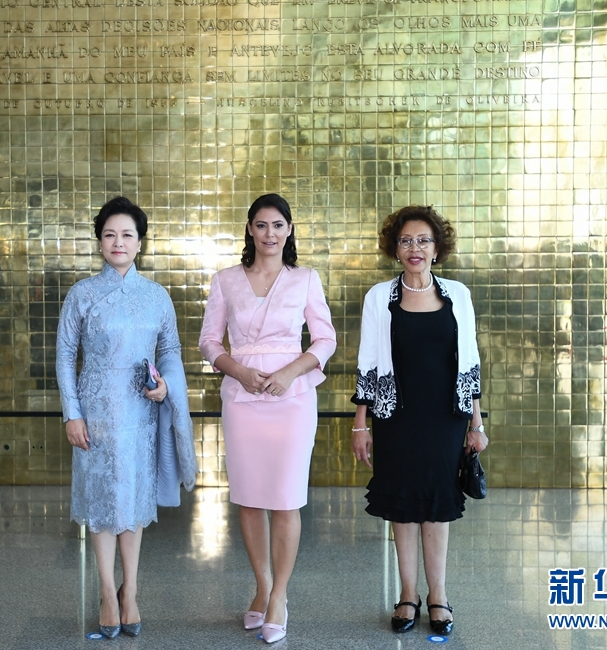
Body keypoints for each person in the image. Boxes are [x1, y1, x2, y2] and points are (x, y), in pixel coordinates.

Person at [56, 196, 197, 639]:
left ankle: (130, 590)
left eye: (127, 235)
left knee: (134, 500)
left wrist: (166, 387)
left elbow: (170, 350)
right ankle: (105, 591)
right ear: (100, 242)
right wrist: (72, 413)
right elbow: (65, 355)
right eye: (110, 234)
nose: (118, 242)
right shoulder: (81, 294)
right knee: (101, 502)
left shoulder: (156, 296)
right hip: (95, 414)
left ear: (140, 243)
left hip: (141, 413)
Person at [199, 194, 337, 644]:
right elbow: (208, 342)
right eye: (261, 225)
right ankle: (261, 585)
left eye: (278, 225)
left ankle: (279, 595)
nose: (270, 233)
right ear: (250, 229)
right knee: (250, 498)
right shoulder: (225, 280)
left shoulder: (306, 279)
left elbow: (325, 339)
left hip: (292, 399)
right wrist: (238, 370)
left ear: (289, 229)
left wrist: (289, 372)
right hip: (242, 399)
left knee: (285, 498)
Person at [351, 205, 489, 636]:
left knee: (438, 506)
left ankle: (438, 596)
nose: (415, 248)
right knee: (404, 505)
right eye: (406, 240)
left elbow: (470, 361)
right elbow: (368, 363)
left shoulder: (458, 295)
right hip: (395, 415)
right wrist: (361, 424)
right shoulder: (379, 297)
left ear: (437, 248)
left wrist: (476, 423)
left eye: (424, 240)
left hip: (445, 417)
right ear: (395, 248)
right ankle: (408, 594)